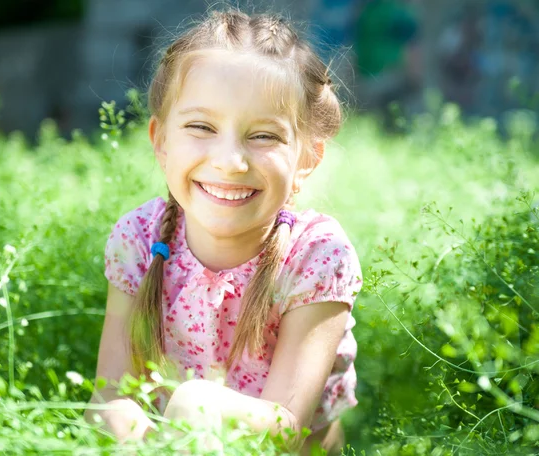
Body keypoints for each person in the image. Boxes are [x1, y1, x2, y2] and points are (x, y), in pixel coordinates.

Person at [84, 8, 363, 455]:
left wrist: (193, 407)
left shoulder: (316, 256)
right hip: (174, 442)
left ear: (307, 159)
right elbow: (109, 394)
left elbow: (285, 432)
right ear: (161, 142)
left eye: (264, 136)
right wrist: (125, 428)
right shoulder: (139, 238)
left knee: (195, 404)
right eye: (201, 126)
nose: (230, 161)